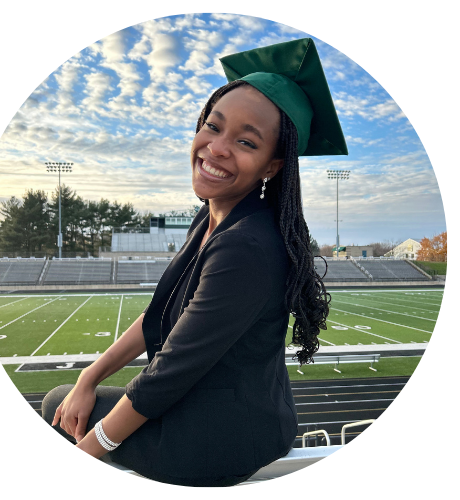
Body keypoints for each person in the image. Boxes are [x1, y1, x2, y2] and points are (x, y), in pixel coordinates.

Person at [41, 37, 348, 487]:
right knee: (75, 396)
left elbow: (171, 372)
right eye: (213, 125)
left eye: (245, 141)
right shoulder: (214, 214)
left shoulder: (247, 245)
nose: (217, 147)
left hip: (218, 438)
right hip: (236, 409)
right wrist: (91, 374)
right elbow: (161, 315)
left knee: (56, 406)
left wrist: (91, 448)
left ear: (272, 165)